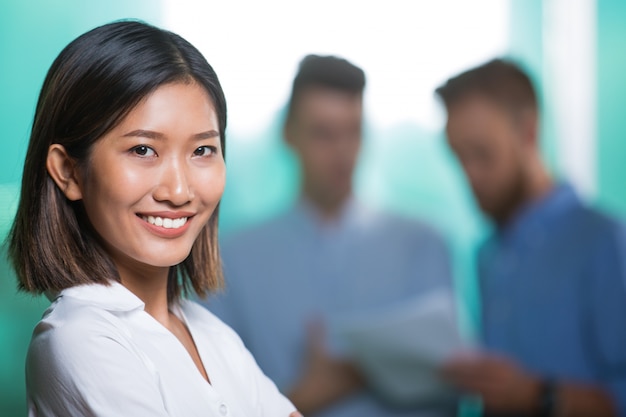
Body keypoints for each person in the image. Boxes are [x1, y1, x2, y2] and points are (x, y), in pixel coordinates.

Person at [7, 20, 302, 417]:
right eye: (143, 150)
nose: (179, 191)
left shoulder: (210, 334)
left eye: (202, 151)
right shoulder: (79, 339)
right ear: (68, 171)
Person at [204, 54, 457, 417]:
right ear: (288, 134)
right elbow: (212, 403)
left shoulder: (424, 246)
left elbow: (449, 395)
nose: (341, 152)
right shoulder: (230, 259)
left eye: (352, 132)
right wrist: (309, 394)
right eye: (323, 133)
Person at [435, 58, 626, 417]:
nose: (470, 175)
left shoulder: (604, 242)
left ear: (528, 133)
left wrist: (540, 394)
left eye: (482, 154)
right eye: (459, 158)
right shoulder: (487, 256)